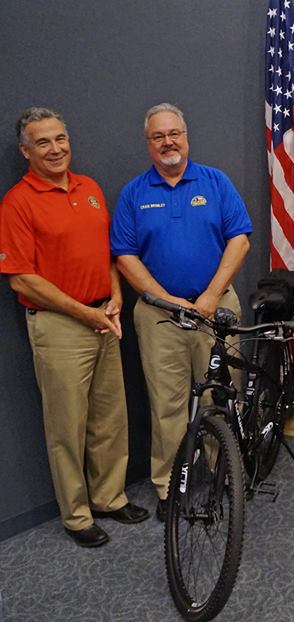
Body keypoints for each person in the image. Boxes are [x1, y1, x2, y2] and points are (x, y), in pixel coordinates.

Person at [0, 107, 148, 547]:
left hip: (105, 315)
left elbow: (106, 253)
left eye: (60, 139)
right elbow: (21, 278)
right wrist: (85, 313)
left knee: (110, 418)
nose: (55, 149)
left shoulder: (90, 189)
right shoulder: (16, 203)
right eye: (42, 142)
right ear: (26, 151)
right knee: (67, 426)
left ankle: (109, 497)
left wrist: (116, 295)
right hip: (59, 326)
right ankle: (78, 515)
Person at [110, 103, 252, 521]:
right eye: (159, 136)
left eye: (175, 133)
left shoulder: (215, 181)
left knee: (222, 395)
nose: (168, 142)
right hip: (159, 318)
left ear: (186, 136)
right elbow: (125, 256)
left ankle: (226, 473)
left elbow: (240, 239)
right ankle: (172, 485)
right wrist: (169, 302)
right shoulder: (135, 194)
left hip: (216, 309)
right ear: (148, 143)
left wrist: (209, 296)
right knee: (167, 405)